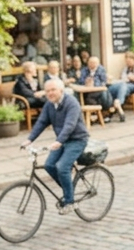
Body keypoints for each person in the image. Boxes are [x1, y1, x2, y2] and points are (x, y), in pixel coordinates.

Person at [20, 78, 89, 211]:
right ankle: (69, 190)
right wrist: (29, 140)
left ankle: (70, 201)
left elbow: (69, 125)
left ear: (61, 90)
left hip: (77, 139)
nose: (50, 93)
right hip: (62, 140)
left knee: (62, 167)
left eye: (53, 90)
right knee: (49, 165)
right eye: (47, 91)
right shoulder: (49, 105)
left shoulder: (72, 103)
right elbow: (41, 122)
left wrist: (58, 141)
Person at [107, 51, 134, 118]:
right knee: (118, 87)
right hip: (127, 85)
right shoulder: (126, 68)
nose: (128, 63)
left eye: (129, 61)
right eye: (127, 61)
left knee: (123, 87)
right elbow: (122, 76)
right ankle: (117, 104)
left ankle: (118, 104)